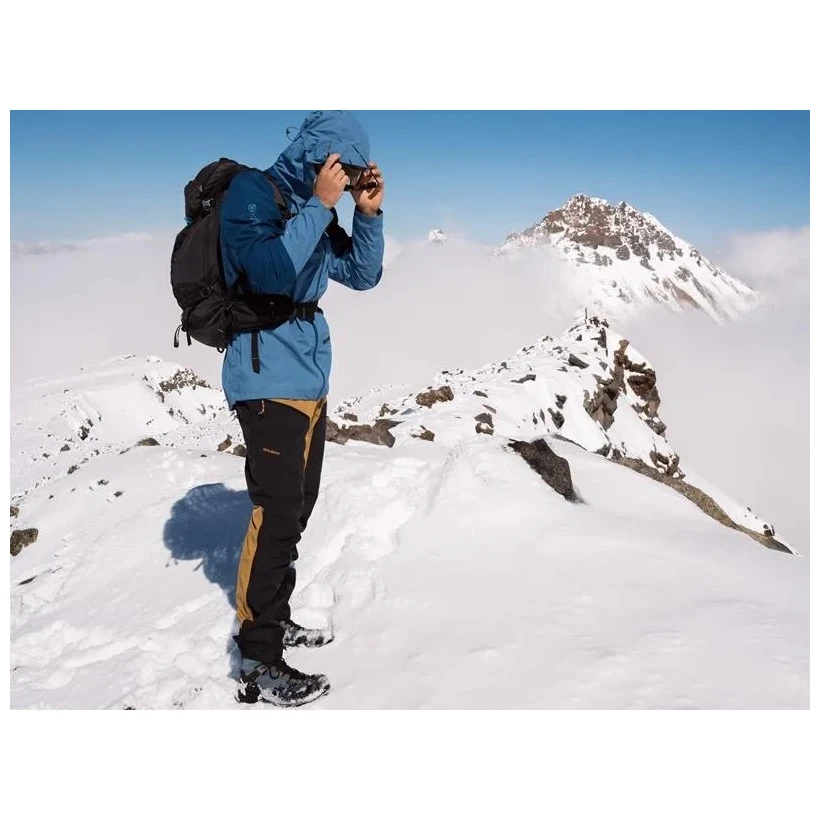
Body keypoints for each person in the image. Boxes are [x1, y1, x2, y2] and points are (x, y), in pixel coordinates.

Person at [219, 111, 385, 706]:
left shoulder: (320, 208)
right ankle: (258, 657)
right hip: (265, 376)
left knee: (299, 507)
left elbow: (362, 274)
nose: (346, 179)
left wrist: (366, 215)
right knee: (278, 511)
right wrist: (320, 205)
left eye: (355, 172)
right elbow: (268, 274)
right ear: (319, 156)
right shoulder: (252, 193)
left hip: (310, 378)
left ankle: (275, 614)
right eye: (343, 167)